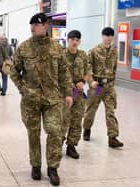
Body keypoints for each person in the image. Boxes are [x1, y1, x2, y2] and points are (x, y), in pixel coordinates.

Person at [10, 13, 73, 186]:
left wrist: (68, 93)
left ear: (45, 25)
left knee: (54, 131)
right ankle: (36, 165)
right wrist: (23, 90)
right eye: (31, 25)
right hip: (31, 101)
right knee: (34, 134)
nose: (32, 28)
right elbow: (13, 70)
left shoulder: (56, 48)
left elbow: (64, 71)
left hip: (52, 99)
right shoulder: (24, 48)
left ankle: (53, 168)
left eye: (36, 25)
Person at [83, 27, 124, 148]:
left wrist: (112, 83)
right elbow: (88, 69)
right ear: (102, 36)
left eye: (111, 36)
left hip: (109, 87)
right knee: (91, 110)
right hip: (97, 86)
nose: (109, 38)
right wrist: (91, 82)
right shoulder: (93, 51)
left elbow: (114, 68)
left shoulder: (114, 51)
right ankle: (86, 129)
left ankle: (112, 137)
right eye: (107, 35)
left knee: (110, 112)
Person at [62, 30, 93, 159]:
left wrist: (83, 81)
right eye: (72, 39)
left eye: (77, 40)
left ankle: (72, 146)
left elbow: (88, 71)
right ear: (67, 40)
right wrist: (66, 84)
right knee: (62, 120)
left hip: (78, 94)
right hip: (63, 93)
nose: (74, 42)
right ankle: (57, 143)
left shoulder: (83, 55)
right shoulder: (60, 55)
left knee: (76, 120)